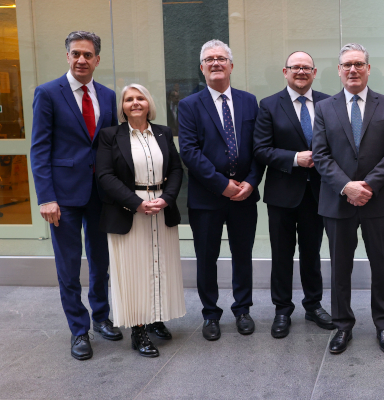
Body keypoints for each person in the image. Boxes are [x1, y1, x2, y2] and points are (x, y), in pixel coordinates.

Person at [30, 31, 120, 360]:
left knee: (100, 262)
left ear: (97, 59)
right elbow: (39, 150)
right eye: (75, 54)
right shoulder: (48, 93)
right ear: (67, 57)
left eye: (87, 54)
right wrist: (46, 197)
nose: (81, 59)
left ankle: (100, 317)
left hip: (101, 194)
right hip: (63, 197)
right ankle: (79, 330)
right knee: (68, 267)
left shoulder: (108, 96)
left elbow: (110, 145)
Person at [312, 43, 384, 354]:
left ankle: (383, 325)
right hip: (337, 200)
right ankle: (342, 326)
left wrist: (367, 187)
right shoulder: (324, 108)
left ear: (368, 68)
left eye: (359, 64)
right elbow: (321, 155)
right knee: (340, 267)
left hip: (379, 200)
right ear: (339, 70)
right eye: (347, 65)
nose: (353, 70)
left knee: (381, 265)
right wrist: (347, 186)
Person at [178, 39, 264, 341]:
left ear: (231, 66)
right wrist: (222, 185)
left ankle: (243, 309)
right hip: (207, 198)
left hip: (244, 195)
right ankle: (211, 314)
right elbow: (189, 152)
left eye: (221, 58)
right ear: (202, 68)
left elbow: (258, 148)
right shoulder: (189, 105)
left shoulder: (249, 102)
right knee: (206, 257)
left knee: (243, 255)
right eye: (209, 59)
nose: (216, 63)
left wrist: (251, 182)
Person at [95, 83, 185, 358]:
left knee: (160, 266)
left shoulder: (163, 132)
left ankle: (156, 317)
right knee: (133, 271)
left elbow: (176, 169)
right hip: (129, 212)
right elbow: (105, 176)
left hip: (160, 209)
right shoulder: (110, 135)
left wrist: (166, 198)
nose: (135, 103)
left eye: (140, 98)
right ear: (122, 107)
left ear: (149, 103)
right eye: (128, 99)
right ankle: (138, 331)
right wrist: (137, 203)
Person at [253, 51, 333, 338]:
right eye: (295, 67)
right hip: (282, 195)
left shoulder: (329, 102)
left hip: (318, 193)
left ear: (314, 72)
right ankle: (282, 309)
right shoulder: (269, 105)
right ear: (285, 72)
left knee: (312, 254)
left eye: (306, 68)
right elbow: (261, 149)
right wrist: (294, 158)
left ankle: (313, 306)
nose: (301, 72)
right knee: (282, 255)